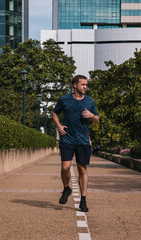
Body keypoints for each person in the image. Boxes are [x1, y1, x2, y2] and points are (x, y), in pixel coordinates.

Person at [52, 74, 99, 212]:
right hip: (67, 138)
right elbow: (54, 113)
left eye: (86, 84)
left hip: (83, 140)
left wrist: (92, 116)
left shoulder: (89, 101)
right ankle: (66, 189)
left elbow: (97, 118)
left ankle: (83, 200)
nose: (85, 87)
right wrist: (59, 126)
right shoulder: (64, 99)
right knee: (65, 167)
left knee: (82, 169)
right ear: (75, 85)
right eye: (83, 84)